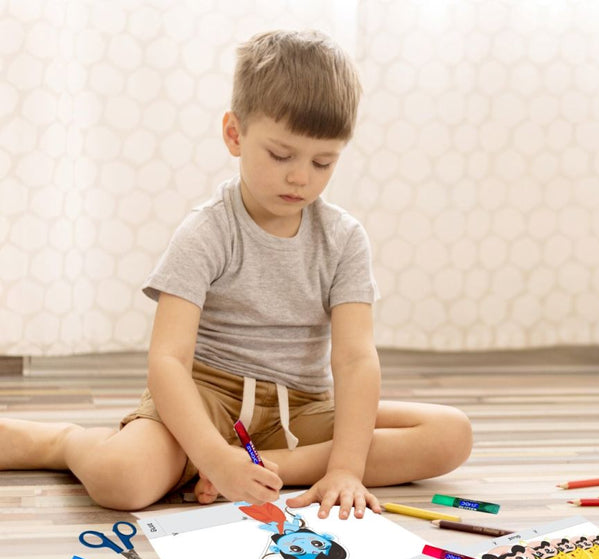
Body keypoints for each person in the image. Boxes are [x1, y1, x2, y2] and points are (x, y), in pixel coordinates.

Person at [0, 29, 472, 519]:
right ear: (234, 134)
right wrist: (212, 454)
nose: (300, 177)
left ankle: (262, 467)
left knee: (450, 434)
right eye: (281, 155)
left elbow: (355, 360)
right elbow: (167, 361)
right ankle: (64, 442)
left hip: (301, 411)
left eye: (323, 162)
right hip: (205, 400)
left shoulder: (344, 238)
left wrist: (346, 469)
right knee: (121, 478)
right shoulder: (206, 231)